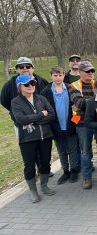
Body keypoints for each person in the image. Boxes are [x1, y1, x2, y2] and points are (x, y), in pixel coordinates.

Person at [11, 74, 56, 203]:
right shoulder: (16, 102)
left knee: (45, 162)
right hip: (27, 139)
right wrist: (41, 115)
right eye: (27, 84)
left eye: (32, 83)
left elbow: (51, 114)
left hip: (45, 137)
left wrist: (34, 120)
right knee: (29, 165)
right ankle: (33, 191)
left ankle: (44, 186)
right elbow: (20, 119)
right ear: (20, 87)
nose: (31, 86)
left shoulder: (41, 98)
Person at [41, 67, 81, 184]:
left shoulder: (70, 88)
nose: (58, 78)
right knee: (62, 151)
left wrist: (75, 121)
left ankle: (74, 170)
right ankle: (65, 171)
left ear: (64, 76)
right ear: (51, 76)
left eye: (60, 75)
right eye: (55, 75)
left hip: (70, 125)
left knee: (73, 149)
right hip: (56, 127)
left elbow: (78, 107)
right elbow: (44, 110)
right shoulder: (46, 91)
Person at [69, 61, 96, 189]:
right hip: (81, 122)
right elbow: (78, 103)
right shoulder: (73, 86)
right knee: (85, 151)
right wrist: (96, 100)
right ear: (80, 72)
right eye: (87, 71)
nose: (90, 73)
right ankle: (87, 177)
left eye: (92, 71)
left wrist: (85, 102)